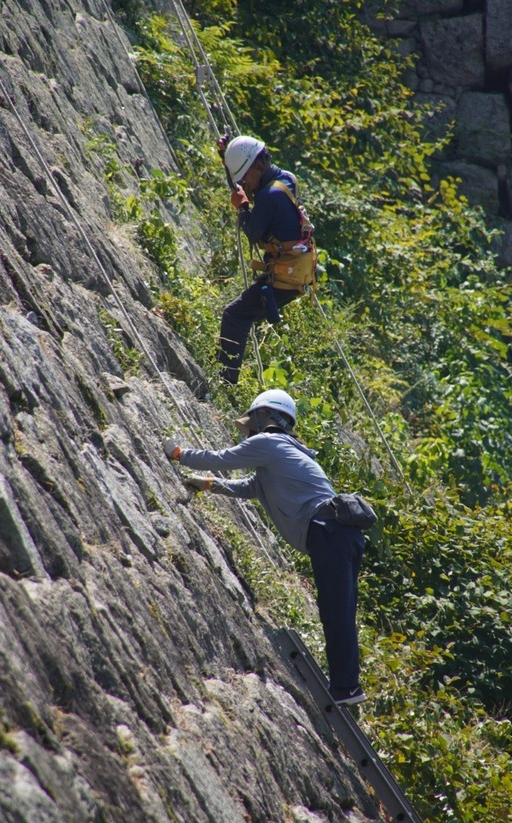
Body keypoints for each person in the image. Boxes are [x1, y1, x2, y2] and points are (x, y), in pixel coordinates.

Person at [163, 389, 366, 706]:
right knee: (340, 610)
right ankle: (347, 685)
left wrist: (178, 454)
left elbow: (223, 459)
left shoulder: (269, 444)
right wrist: (208, 485)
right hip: (340, 534)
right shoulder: (281, 457)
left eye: (253, 420)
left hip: (329, 532)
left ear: (264, 416)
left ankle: (347, 688)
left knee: (335, 611)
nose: (249, 428)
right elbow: (248, 488)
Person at [217, 135, 316, 385]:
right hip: (294, 268)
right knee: (240, 314)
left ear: (258, 166)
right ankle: (227, 377)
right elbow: (244, 185)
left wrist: (242, 208)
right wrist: (226, 157)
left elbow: (252, 233)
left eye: (246, 177)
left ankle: (226, 383)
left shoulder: (269, 196)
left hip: (285, 278)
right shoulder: (285, 179)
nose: (245, 184)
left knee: (235, 315)